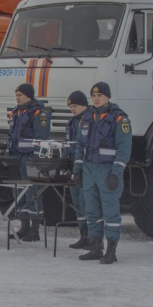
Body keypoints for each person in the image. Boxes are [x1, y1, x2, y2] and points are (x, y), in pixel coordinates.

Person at [75, 82, 131, 264]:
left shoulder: (119, 119)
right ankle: (96, 246)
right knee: (91, 209)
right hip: (89, 169)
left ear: (108, 97)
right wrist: (77, 170)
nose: (96, 99)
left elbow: (124, 148)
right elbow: (80, 146)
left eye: (100, 96)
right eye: (94, 96)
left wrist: (116, 172)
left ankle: (111, 249)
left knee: (110, 211)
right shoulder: (87, 117)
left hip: (107, 171)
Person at [7, 83, 51, 241]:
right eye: (16, 95)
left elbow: (41, 138)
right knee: (18, 191)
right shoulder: (15, 112)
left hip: (30, 157)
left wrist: (36, 159)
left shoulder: (39, 113)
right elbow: (11, 135)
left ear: (28, 96)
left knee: (32, 192)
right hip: (15, 156)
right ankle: (24, 226)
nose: (17, 97)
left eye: (20, 95)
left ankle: (35, 229)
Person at [66, 91, 90, 249]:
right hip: (73, 164)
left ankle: (91, 236)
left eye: (75, 106)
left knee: (86, 201)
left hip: (86, 166)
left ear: (84, 106)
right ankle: (83, 235)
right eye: (70, 106)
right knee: (76, 200)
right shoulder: (72, 122)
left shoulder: (89, 120)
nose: (72, 109)